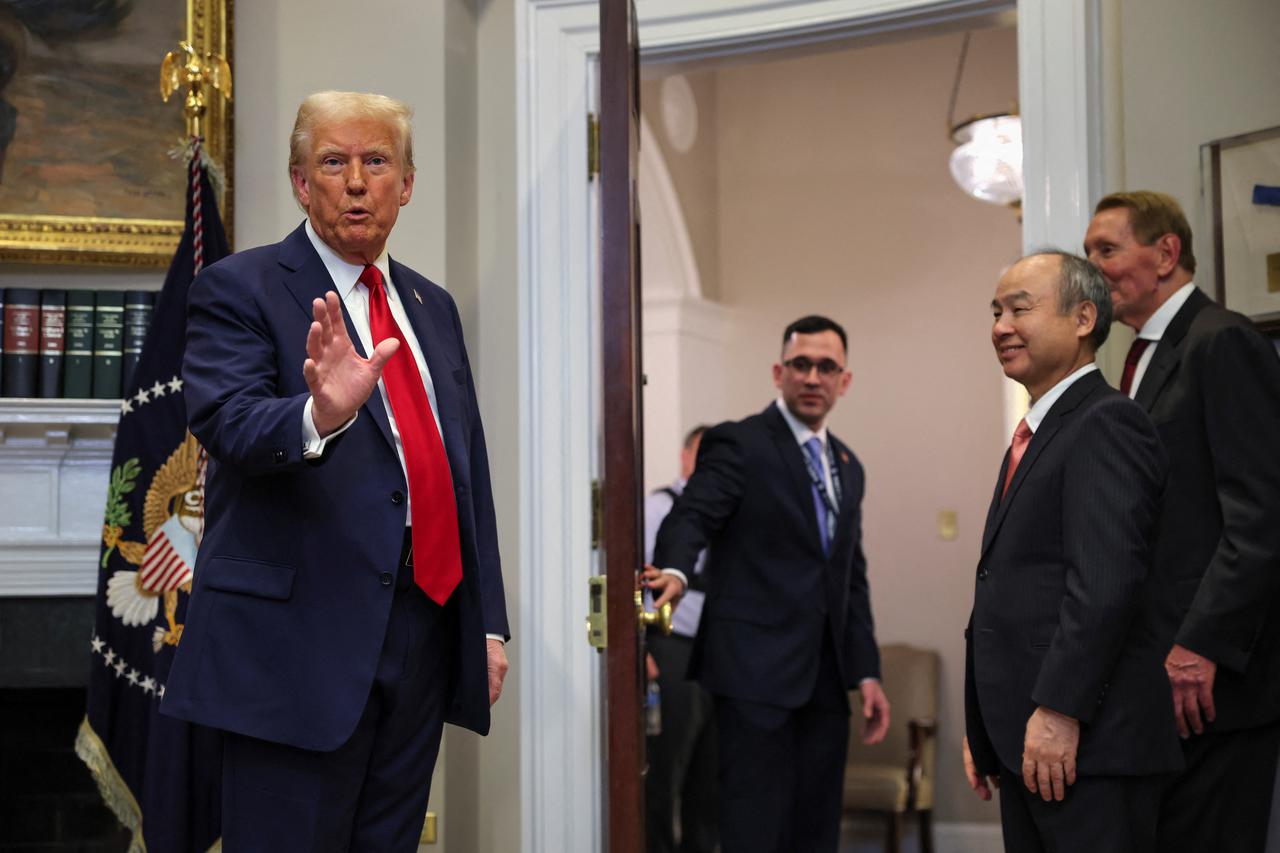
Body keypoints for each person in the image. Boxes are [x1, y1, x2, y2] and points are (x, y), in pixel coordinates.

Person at [161, 91, 510, 851]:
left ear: (406, 184)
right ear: (300, 182)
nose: (356, 182)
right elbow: (227, 423)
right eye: (332, 162)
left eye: (376, 161)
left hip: (424, 632)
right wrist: (319, 415)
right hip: (294, 649)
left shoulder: (433, 306)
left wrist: (484, 623)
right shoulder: (240, 286)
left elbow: (462, 471)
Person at [646, 315, 890, 853]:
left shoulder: (848, 466)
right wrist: (676, 570)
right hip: (752, 676)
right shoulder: (740, 443)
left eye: (826, 367)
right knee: (754, 830)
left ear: (844, 380)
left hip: (825, 681)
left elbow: (849, 576)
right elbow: (692, 514)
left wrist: (866, 670)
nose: (812, 377)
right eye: (800, 364)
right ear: (779, 373)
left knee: (816, 832)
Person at [963, 251, 1182, 853]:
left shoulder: (1106, 421)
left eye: (1019, 309)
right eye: (995, 312)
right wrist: (985, 722)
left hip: (1088, 743)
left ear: (1084, 318)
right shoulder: (1039, 431)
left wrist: (1060, 710)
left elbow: (1104, 585)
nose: (1001, 327)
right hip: (1029, 739)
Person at [1084, 191, 1280, 852]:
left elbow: (1260, 516)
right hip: (1157, 681)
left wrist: (1203, 645)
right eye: (1087, 253)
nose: (1093, 268)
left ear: (1166, 252)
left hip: (1214, 682)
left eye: (1107, 250)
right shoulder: (1138, 356)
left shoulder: (1221, 340)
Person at [644, 425, 716, 853]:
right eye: (702, 454)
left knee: (710, 776)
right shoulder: (659, 507)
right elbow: (633, 578)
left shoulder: (725, 512)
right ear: (685, 457)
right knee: (667, 769)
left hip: (718, 654)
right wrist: (640, 650)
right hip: (671, 648)